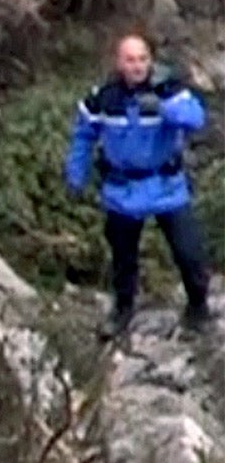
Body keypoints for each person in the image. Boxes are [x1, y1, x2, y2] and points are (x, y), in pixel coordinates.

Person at [64, 34, 211, 338]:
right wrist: (76, 175)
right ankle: (123, 310)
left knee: (189, 253)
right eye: (130, 60)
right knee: (123, 259)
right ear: (119, 63)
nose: (138, 66)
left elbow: (195, 118)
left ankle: (198, 307)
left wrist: (163, 104)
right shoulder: (103, 97)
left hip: (167, 187)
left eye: (143, 59)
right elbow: (83, 135)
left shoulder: (170, 89)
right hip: (123, 191)